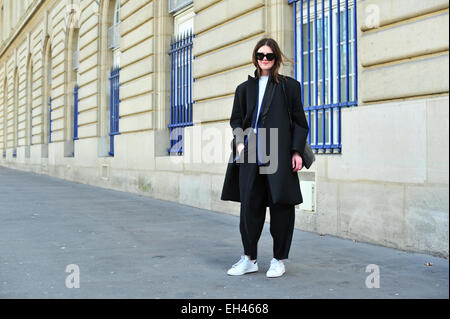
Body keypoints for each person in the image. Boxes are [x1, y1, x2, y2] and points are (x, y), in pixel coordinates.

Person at [221, 38, 309, 278]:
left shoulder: (289, 87)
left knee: (281, 206)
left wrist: (296, 151)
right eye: (260, 55)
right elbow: (236, 120)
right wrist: (240, 144)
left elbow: (300, 123)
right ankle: (249, 258)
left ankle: (278, 260)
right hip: (250, 153)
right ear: (255, 58)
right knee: (250, 207)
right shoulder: (244, 89)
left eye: (269, 55)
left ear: (276, 58)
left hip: (278, 153)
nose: (265, 59)